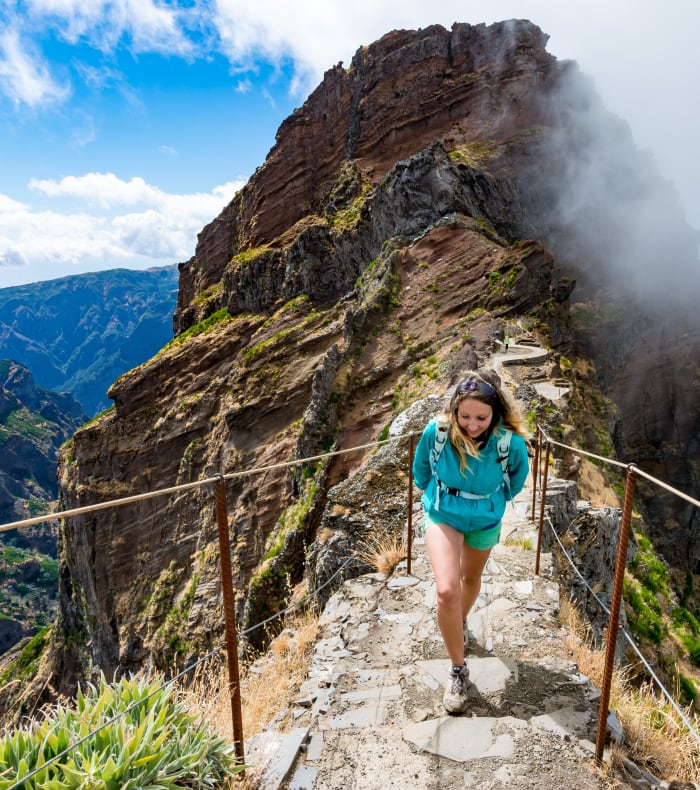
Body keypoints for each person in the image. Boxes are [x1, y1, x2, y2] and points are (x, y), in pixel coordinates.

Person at [412, 368, 530, 713]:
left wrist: (490, 500)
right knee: (447, 589)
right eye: (465, 416)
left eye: (481, 417)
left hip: (484, 518)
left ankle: (458, 620)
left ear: (495, 414)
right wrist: (439, 497)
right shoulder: (438, 432)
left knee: (470, 578)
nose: (472, 424)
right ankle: (458, 670)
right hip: (443, 513)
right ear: (454, 410)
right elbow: (422, 469)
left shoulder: (510, 443)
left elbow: (517, 478)